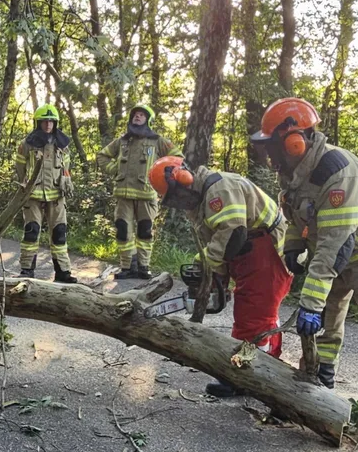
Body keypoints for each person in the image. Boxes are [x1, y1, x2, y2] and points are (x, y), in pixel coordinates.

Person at [148, 156, 292, 397]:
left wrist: (208, 266)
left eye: (176, 195)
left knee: (252, 315)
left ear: (184, 179)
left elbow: (233, 233)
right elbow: (219, 241)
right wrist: (217, 279)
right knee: (263, 314)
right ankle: (266, 365)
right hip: (249, 250)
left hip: (266, 248)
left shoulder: (219, 190)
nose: (178, 202)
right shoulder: (200, 201)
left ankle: (243, 374)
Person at [251, 97, 358, 389]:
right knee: (329, 320)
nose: (271, 156)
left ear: (294, 141)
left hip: (346, 253)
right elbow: (297, 216)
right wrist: (293, 245)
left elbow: (333, 247)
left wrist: (310, 304)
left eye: (273, 147)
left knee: (319, 309)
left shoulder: (337, 171)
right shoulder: (295, 171)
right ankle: (319, 382)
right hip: (335, 256)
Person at [97, 105, 183, 280]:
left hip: (146, 194)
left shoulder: (158, 141)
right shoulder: (122, 141)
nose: (137, 117)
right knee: (123, 230)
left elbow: (177, 158)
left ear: (148, 120)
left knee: (145, 231)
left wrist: (162, 175)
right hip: (123, 196)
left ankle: (143, 267)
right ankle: (127, 266)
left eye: (141, 115)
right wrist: (115, 168)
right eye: (135, 114)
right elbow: (102, 156)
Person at [15, 104, 77, 284]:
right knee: (31, 232)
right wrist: (23, 183)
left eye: (51, 121)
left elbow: (66, 168)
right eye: (45, 121)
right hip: (33, 196)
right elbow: (20, 166)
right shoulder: (27, 144)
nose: (48, 124)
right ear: (38, 122)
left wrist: (67, 180)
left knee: (59, 233)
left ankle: (63, 272)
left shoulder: (62, 144)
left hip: (57, 196)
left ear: (55, 123)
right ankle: (27, 270)